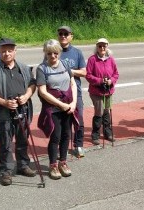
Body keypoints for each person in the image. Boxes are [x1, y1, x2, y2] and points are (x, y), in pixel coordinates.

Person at [0, 38, 37, 186]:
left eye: (9, 50)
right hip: (3, 113)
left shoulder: (24, 68)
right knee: (5, 143)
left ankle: (23, 165)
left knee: (22, 139)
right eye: (3, 51)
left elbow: (32, 84)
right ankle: (6, 171)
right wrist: (4, 102)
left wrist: (26, 96)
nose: (6, 53)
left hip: (23, 110)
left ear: (15, 51)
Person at [36, 39, 77, 179]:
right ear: (45, 54)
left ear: (59, 52)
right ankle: (53, 165)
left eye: (55, 53)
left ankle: (63, 162)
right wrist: (61, 105)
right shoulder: (41, 69)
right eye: (49, 54)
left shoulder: (65, 64)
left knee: (67, 135)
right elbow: (43, 92)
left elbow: (73, 84)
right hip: (53, 109)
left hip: (68, 107)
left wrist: (74, 103)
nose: (52, 56)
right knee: (56, 137)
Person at [57, 26, 87, 157]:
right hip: (58, 94)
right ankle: (61, 147)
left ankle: (78, 145)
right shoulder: (54, 51)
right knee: (62, 123)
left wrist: (69, 71)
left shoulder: (77, 52)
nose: (63, 36)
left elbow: (84, 72)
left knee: (79, 120)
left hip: (75, 92)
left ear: (71, 36)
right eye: (61, 34)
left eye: (66, 34)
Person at [86, 38, 119, 145]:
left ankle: (107, 133)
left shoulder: (111, 59)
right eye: (100, 46)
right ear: (97, 47)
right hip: (96, 91)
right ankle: (95, 135)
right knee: (99, 112)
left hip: (108, 90)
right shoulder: (92, 59)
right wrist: (100, 81)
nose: (102, 48)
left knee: (106, 112)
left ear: (107, 47)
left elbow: (116, 74)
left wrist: (111, 81)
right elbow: (88, 75)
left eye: (104, 46)